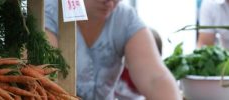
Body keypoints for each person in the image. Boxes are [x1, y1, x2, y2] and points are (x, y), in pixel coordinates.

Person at [44, 0, 181, 99]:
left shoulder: (125, 19)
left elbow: (155, 79)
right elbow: (46, 79)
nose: (109, 2)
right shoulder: (47, 13)